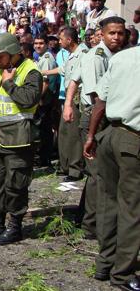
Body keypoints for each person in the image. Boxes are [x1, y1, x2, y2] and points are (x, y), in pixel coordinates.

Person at [0, 33, 42, 246]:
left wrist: (10, 84)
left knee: (16, 185)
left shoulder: (31, 71)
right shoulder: (1, 71)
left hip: (19, 139)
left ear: (13, 53)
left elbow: (29, 99)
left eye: (0, 57)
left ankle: (15, 227)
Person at [82, 46, 140, 291]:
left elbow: (100, 102)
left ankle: (104, 264)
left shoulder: (122, 57)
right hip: (133, 140)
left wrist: (92, 135)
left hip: (111, 135)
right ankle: (123, 274)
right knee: (132, 210)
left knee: (108, 203)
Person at [63, 16, 126, 238]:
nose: (117, 37)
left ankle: (86, 217)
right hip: (96, 118)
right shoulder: (97, 58)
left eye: (120, 33)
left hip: (101, 117)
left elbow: (73, 80)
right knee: (99, 174)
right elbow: (98, 96)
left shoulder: (113, 56)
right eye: (112, 33)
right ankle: (92, 225)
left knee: (96, 174)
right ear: (102, 33)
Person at [42, 27, 87, 181]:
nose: (59, 42)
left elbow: (77, 79)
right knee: (64, 133)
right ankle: (65, 165)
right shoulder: (71, 55)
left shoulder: (83, 54)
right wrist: (43, 72)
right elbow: (62, 70)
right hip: (69, 96)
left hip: (76, 97)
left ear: (69, 40)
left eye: (61, 39)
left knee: (73, 135)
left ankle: (74, 170)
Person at [34, 33, 58, 167]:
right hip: (43, 99)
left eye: (41, 43)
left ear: (46, 44)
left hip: (44, 100)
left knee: (43, 130)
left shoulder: (47, 59)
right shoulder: (41, 58)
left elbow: (46, 82)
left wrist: (37, 99)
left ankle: (44, 159)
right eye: (36, 43)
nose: (38, 46)